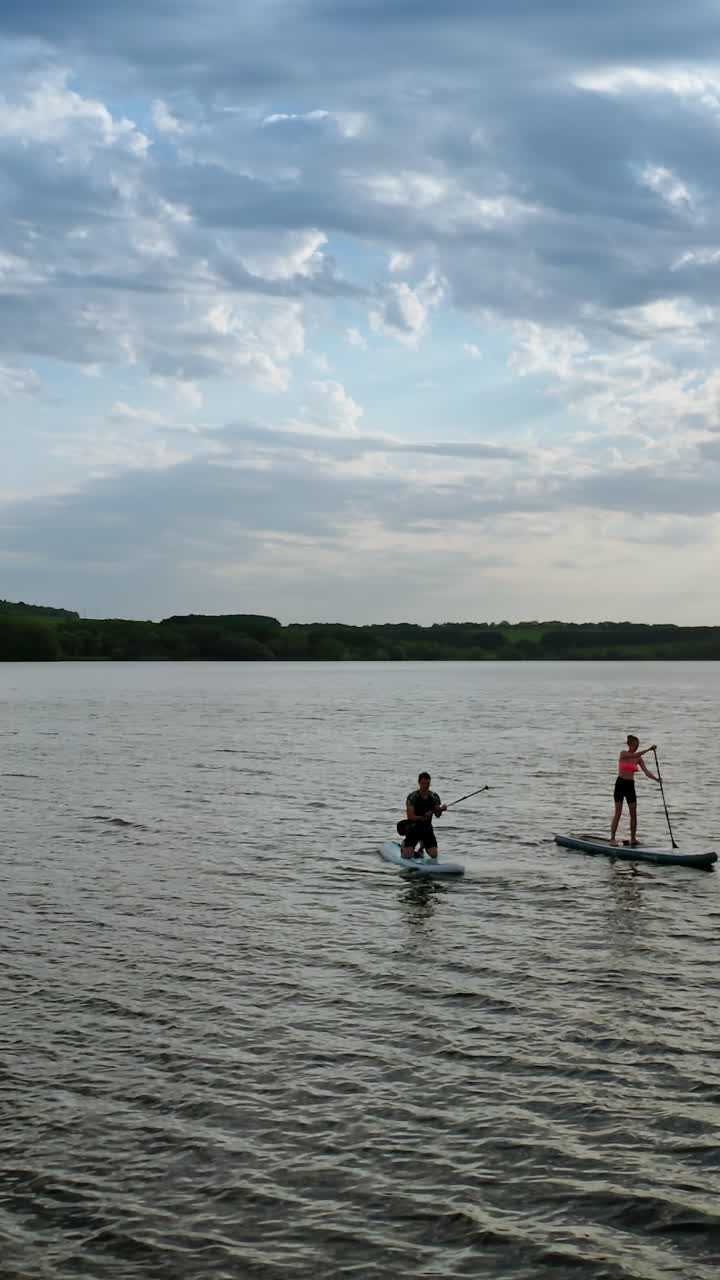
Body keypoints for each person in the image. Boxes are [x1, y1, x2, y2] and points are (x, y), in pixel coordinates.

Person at [610, 735, 659, 846]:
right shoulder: (623, 754)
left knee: (634, 813)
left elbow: (646, 772)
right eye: (635, 745)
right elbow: (635, 754)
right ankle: (612, 839)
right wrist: (648, 749)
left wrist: (656, 779)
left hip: (630, 785)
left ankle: (633, 838)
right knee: (618, 812)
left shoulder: (638, 759)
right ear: (630, 744)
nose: (637, 747)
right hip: (620, 784)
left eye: (638, 745)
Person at [402, 771, 447, 860]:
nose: (426, 786)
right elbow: (410, 816)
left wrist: (440, 810)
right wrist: (424, 816)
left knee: (434, 855)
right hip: (413, 828)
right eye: (423, 783)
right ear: (419, 783)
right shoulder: (412, 797)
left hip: (427, 829)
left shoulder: (434, 796)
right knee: (407, 856)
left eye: (428, 783)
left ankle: (421, 848)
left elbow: (437, 815)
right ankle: (405, 844)